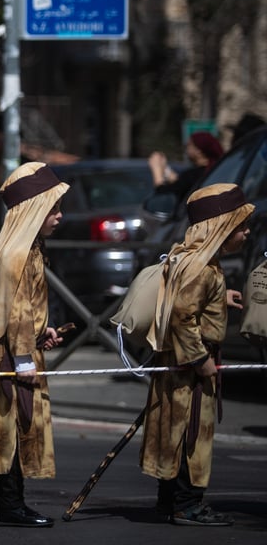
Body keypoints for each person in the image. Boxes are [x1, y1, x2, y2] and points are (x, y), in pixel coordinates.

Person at [139, 183, 253, 527]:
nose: (246, 233)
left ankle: (168, 500)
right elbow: (182, 316)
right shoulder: (202, 268)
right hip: (189, 369)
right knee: (189, 435)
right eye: (240, 227)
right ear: (219, 228)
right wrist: (201, 360)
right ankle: (187, 504)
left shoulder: (191, 258)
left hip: (175, 366)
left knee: (172, 433)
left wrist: (222, 297)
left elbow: (188, 302)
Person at [0, 161, 69, 528]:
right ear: (33, 210)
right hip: (12, 359)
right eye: (53, 209)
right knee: (13, 426)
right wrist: (25, 357)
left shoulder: (23, 248)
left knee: (4, 428)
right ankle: (10, 504)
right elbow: (14, 312)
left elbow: (24, 311)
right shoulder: (19, 254)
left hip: (13, 351)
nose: (59, 216)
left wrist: (42, 330)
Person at [148, 131, 224, 207]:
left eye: (188, 146)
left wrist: (157, 171)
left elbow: (165, 195)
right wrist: (167, 171)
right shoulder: (219, 170)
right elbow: (183, 185)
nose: (186, 149)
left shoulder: (192, 175)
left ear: (198, 151)